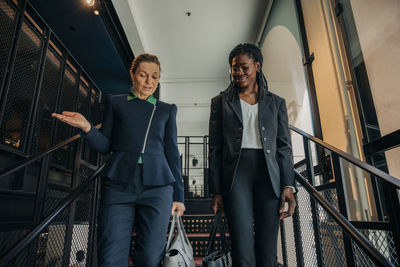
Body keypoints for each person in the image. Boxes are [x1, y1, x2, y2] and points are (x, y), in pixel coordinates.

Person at [52, 53, 185, 267]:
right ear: (133, 75)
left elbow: (172, 153)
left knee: (151, 258)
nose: (149, 82)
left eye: (155, 77)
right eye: (143, 75)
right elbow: (105, 145)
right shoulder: (116, 102)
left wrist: (179, 195)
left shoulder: (166, 110)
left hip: (158, 188)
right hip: (118, 186)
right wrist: (87, 128)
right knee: (110, 257)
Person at [208, 43, 296, 267]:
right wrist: (216, 190)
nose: (239, 73)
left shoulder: (277, 103)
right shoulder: (220, 102)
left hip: (269, 176)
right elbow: (215, 148)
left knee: (268, 254)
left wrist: (288, 184)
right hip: (236, 177)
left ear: (257, 66)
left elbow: (284, 146)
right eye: (234, 68)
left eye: (244, 68)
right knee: (242, 250)